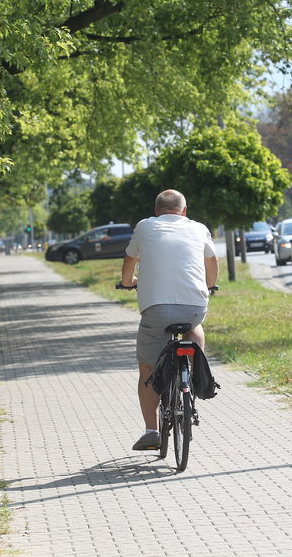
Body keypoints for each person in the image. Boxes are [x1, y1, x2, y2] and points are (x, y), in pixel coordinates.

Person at [120, 189, 218, 450]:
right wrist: (209, 286)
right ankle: (195, 370)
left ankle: (151, 431)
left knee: (148, 369)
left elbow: (131, 258)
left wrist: (128, 282)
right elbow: (212, 260)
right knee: (195, 327)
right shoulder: (199, 228)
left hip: (156, 309)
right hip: (194, 306)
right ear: (184, 211)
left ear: (156, 211)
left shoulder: (145, 227)